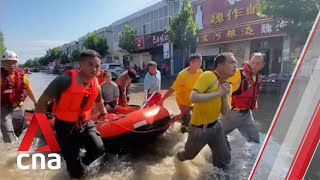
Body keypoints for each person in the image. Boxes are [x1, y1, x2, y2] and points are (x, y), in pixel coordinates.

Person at [35, 50, 107, 178]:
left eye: (97, 66)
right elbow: (42, 101)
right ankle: (75, 168)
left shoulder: (97, 85)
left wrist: (103, 114)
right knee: (75, 172)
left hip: (84, 123)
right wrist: (39, 124)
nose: (94, 69)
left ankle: (83, 163)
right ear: (80, 64)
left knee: (98, 148)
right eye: (90, 64)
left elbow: (99, 102)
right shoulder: (64, 80)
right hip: (64, 125)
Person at [176, 52, 237, 169]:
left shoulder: (227, 85)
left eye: (235, 63)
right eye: (231, 62)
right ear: (220, 65)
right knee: (188, 155)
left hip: (216, 126)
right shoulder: (208, 75)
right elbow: (193, 97)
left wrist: (224, 95)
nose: (235, 65)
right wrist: (218, 93)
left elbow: (225, 113)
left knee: (224, 160)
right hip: (199, 129)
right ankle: (177, 156)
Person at [220, 52, 265, 143]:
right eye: (253, 62)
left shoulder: (258, 78)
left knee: (255, 140)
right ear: (249, 61)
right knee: (216, 137)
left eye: (258, 63)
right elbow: (218, 79)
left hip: (247, 115)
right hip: (231, 114)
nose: (255, 65)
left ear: (263, 65)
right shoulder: (237, 73)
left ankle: (252, 157)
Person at [158, 54, 203, 133]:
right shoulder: (182, 75)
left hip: (193, 99)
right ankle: (182, 133)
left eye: (200, 62)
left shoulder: (200, 72)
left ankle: (193, 128)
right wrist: (163, 99)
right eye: (198, 62)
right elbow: (173, 88)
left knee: (199, 114)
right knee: (186, 119)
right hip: (183, 100)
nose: (200, 64)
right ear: (191, 63)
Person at [1, 50, 37, 142]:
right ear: (2, 63)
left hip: (18, 108)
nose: (12, 65)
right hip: (3, 109)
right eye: (8, 63)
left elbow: (28, 90)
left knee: (20, 128)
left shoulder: (23, 77)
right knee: (8, 135)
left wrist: (36, 102)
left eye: (14, 62)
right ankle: (10, 153)